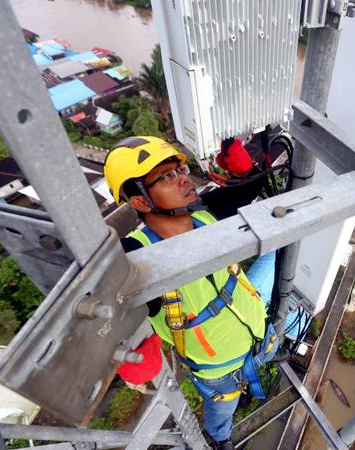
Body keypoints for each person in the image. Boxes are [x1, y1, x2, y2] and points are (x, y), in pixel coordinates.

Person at [104, 136, 280, 450]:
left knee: (274, 251)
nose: (184, 178)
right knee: (221, 412)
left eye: (179, 169)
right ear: (142, 202)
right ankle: (219, 438)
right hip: (219, 369)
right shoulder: (137, 255)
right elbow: (92, 281)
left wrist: (242, 166)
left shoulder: (205, 214)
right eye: (167, 176)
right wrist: (131, 346)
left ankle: (269, 350)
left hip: (256, 329)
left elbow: (253, 186)